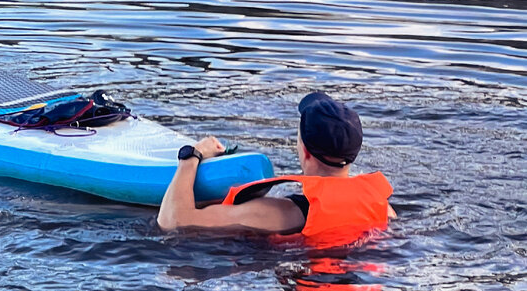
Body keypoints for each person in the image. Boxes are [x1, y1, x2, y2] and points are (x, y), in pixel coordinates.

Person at [157, 91, 395, 246]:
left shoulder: (282, 213)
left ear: (305, 151)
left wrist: (192, 155)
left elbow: (174, 221)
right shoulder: (383, 208)